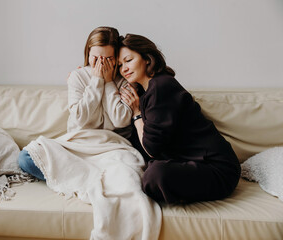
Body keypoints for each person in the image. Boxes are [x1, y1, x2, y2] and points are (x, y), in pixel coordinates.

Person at [119, 33, 241, 204]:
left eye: (128, 60)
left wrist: (136, 114)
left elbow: (151, 148)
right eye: (119, 65)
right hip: (188, 164)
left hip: (217, 169)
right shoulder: (146, 92)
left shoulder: (161, 86)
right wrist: (88, 74)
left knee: (155, 176)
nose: (123, 68)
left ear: (147, 58)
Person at [18, 26, 132, 180]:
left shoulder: (125, 79)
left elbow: (120, 120)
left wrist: (109, 82)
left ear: (116, 57)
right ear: (88, 53)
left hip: (111, 147)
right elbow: (80, 118)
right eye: (96, 58)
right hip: (79, 144)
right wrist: (97, 81)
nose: (101, 64)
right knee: (26, 158)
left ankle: (84, 176)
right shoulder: (77, 76)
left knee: (130, 170)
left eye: (108, 59)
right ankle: (89, 177)